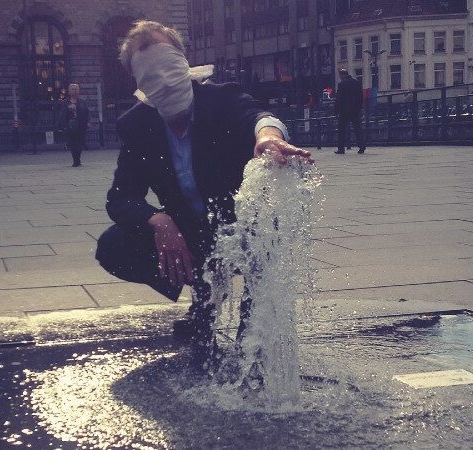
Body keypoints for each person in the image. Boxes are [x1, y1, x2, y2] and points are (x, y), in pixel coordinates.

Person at [94, 20, 313, 370]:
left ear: (184, 61)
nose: (163, 81)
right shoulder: (138, 125)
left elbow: (258, 115)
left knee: (267, 237)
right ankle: (205, 294)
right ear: (138, 83)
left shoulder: (220, 99)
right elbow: (120, 198)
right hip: (189, 233)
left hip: (242, 227)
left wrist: (268, 136)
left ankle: (252, 336)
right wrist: (157, 220)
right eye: (150, 76)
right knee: (113, 245)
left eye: (168, 67)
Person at [57, 83, 90, 167]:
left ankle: (78, 159)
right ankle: (75, 160)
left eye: (76, 89)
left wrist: (88, 122)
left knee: (80, 143)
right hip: (70, 126)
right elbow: (62, 114)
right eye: (73, 89)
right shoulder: (65, 102)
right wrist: (62, 125)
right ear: (69, 91)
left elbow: (87, 112)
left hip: (81, 125)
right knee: (72, 143)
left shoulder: (82, 102)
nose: (74, 91)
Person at [334, 68, 365, 154]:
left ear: (341, 75)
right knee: (357, 128)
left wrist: (336, 110)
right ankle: (362, 146)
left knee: (341, 130)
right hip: (355, 109)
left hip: (344, 110)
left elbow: (339, 99)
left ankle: (341, 149)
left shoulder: (341, 84)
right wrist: (360, 107)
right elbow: (361, 96)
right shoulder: (357, 82)